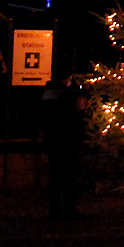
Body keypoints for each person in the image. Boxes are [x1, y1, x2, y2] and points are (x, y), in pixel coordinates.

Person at [39, 70, 87, 221]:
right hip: (67, 137)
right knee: (68, 176)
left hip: (53, 138)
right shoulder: (68, 94)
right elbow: (77, 111)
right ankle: (69, 209)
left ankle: (55, 210)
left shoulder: (48, 92)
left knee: (56, 175)